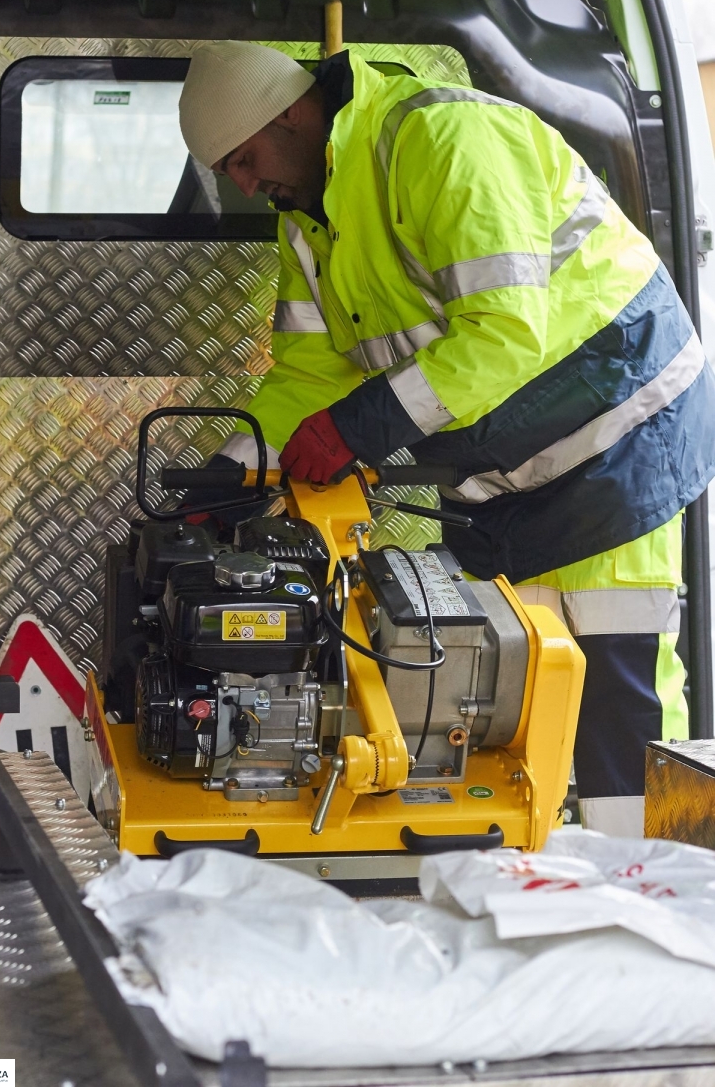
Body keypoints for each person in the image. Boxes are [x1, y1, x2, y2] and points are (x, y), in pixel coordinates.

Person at [178, 41, 715, 836]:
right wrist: (233, 471)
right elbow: (310, 376)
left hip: (620, 434)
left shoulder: (438, 141)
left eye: (249, 160)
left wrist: (359, 429)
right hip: (503, 476)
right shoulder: (309, 222)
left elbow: (506, 332)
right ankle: (540, 896)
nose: (252, 186)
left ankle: (652, 907)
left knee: (613, 710)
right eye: (233, 175)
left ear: (290, 113)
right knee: (508, 704)